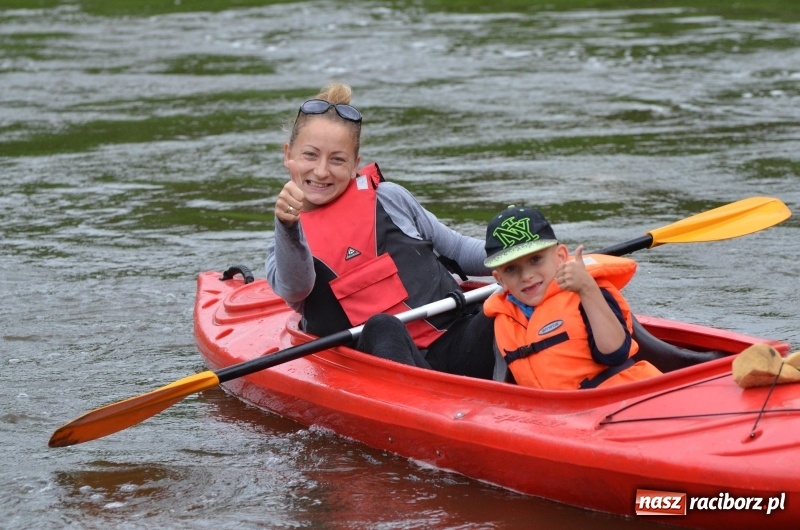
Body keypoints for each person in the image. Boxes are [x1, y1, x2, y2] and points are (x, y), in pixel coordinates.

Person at [265, 82, 495, 379]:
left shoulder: (390, 197)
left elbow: (460, 251)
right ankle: (420, 410)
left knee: (503, 305)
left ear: (354, 165)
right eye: (310, 155)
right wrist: (287, 225)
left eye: (337, 159)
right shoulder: (287, 242)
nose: (321, 171)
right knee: (383, 325)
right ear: (289, 155)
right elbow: (296, 289)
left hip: (457, 341)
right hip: (384, 372)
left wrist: (527, 254)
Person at [482, 206, 663, 390]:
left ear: (560, 257)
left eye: (535, 259)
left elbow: (615, 353)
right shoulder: (504, 315)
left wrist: (587, 289)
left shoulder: (585, 292)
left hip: (625, 396)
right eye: (511, 269)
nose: (526, 275)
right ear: (500, 279)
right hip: (562, 410)